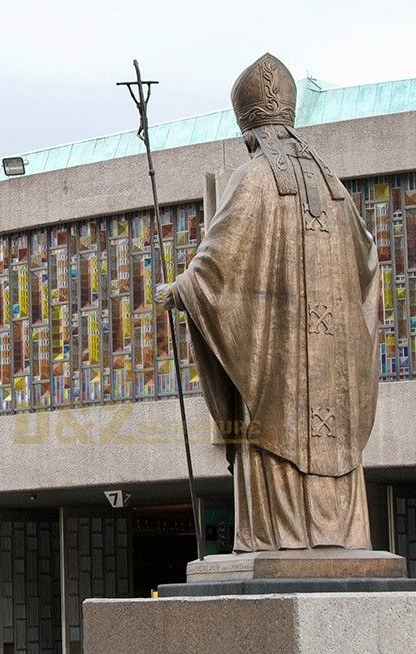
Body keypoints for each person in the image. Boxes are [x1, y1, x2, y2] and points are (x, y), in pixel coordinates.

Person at [156, 52, 380, 553]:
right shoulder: (335, 187)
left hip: (277, 374)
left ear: (250, 130)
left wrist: (183, 290)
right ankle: (339, 537)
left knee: (269, 419)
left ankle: (277, 539)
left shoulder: (253, 178)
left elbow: (217, 261)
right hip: (333, 377)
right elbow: (368, 265)